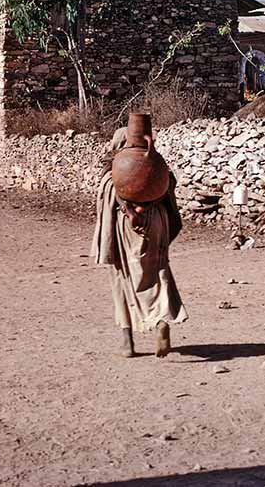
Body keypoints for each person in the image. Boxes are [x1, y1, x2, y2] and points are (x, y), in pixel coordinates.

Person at [90, 127, 186, 358]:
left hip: (126, 225)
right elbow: (167, 189)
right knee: (158, 270)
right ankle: (162, 319)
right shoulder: (157, 167)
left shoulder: (115, 170)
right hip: (157, 222)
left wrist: (132, 212)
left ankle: (127, 342)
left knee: (122, 278)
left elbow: (112, 194)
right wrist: (148, 206)